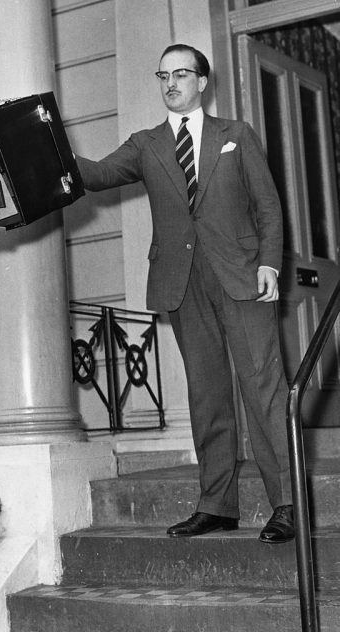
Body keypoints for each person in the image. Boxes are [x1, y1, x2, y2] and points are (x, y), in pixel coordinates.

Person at [75, 44, 294, 544]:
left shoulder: (235, 135)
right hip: (182, 281)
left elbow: (268, 207)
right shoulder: (146, 143)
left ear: (202, 81)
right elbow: (100, 175)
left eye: (181, 74)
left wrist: (268, 263)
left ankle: (287, 503)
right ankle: (217, 505)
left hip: (241, 276)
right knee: (206, 394)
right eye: (163, 75)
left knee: (264, 390)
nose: (171, 82)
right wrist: (45, 148)